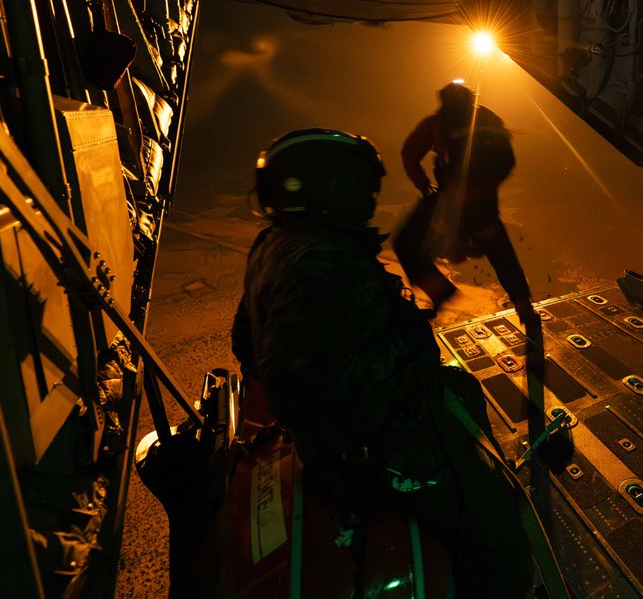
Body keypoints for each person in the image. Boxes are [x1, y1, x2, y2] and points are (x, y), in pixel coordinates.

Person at [230, 128, 534, 598]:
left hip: (353, 439)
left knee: (463, 386)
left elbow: (246, 343)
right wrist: (402, 345)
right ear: (340, 191)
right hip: (375, 453)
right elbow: (300, 385)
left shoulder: (277, 245)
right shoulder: (327, 266)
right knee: (498, 526)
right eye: (365, 188)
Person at [395, 81, 538, 323]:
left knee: (407, 243)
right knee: (500, 252)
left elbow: (409, 153)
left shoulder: (438, 122)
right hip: (484, 203)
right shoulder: (488, 119)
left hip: (451, 202)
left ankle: (440, 292)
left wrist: (424, 185)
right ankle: (524, 307)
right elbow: (508, 160)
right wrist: (486, 186)